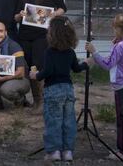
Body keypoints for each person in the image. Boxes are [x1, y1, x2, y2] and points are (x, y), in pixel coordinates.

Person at [29, 16, 88, 164]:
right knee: (69, 122)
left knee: (53, 122)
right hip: (68, 90)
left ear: (52, 34)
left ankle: (54, 151)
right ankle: (68, 152)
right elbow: (76, 69)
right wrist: (86, 64)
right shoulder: (70, 52)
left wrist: (35, 75)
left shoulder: (49, 52)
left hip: (53, 90)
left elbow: (47, 71)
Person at [85, 12, 123, 162]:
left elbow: (108, 64)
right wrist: (115, 44)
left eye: (115, 29)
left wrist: (94, 52)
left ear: (121, 30)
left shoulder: (120, 46)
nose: (113, 32)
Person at [14, 0, 67, 114]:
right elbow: (16, 17)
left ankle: (43, 101)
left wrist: (54, 14)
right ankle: (36, 100)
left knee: (39, 65)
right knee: (30, 66)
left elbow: (63, 7)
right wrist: (20, 15)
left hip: (42, 36)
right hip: (25, 36)